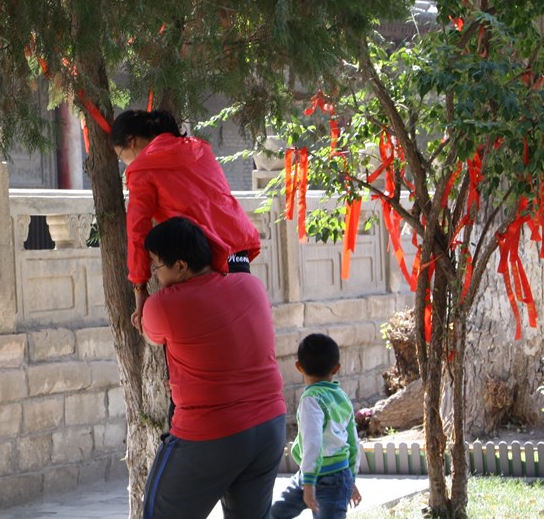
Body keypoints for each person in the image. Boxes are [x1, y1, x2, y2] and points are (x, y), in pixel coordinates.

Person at [140, 217, 286, 519]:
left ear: (180, 265)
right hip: (270, 428)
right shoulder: (251, 285)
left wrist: (141, 297)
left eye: (157, 267)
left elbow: (149, 334)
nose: (156, 276)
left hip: (209, 434)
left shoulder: (164, 304)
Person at [111, 109, 261, 330]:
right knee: (243, 330)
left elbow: (137, 231)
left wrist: (140, 288)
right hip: (238, 251)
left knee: (206, 339)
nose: (125, 164)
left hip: (206, 258)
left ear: (130, 142)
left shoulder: (142, 169)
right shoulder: (199, 147)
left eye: (120, 156)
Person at [270, 334, 362, 519]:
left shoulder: (311, 400)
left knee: (275, 514)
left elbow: (313, 442)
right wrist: (350, 477)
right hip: (325, 476)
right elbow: (353, 441)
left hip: (320, 479)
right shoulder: (342, 398)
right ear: (336, 368)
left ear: (299, 367)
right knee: (276, 512)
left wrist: (310, 484)